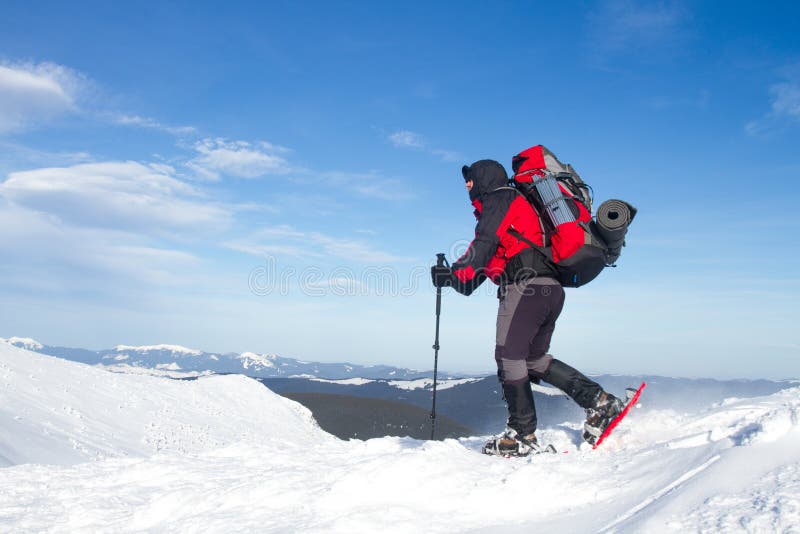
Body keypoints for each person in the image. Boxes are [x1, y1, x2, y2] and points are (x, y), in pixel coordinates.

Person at [431, 158, 623, 456]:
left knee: (509, 357)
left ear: (483, 178)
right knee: (532, 359)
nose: (467, 186)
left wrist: (457, 271)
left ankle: (522, 433)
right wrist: (451, 278)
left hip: (525, 289)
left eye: (470, 181)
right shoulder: (520, 208)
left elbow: (482, 246)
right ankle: (599, 402)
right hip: (548, 290)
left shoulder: (500, 197)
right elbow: (475, 275)